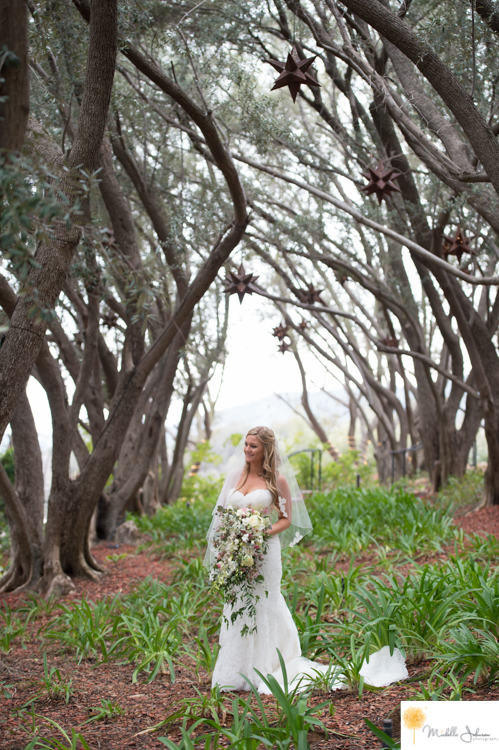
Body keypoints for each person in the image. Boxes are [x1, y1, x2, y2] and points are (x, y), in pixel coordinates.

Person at [204, 425, 408, 693]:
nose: (247, 449)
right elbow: (221, 516)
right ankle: (236, 671)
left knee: (265, 603)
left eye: (253, 446)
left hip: (265, 553)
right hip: (237, 552)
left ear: (266, 448)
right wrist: (231, 540)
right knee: (238, 603)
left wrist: (258, 531)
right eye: (246, 444)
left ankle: (265, 668)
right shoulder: (234, 477)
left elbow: (286, 520)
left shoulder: (278, 480)